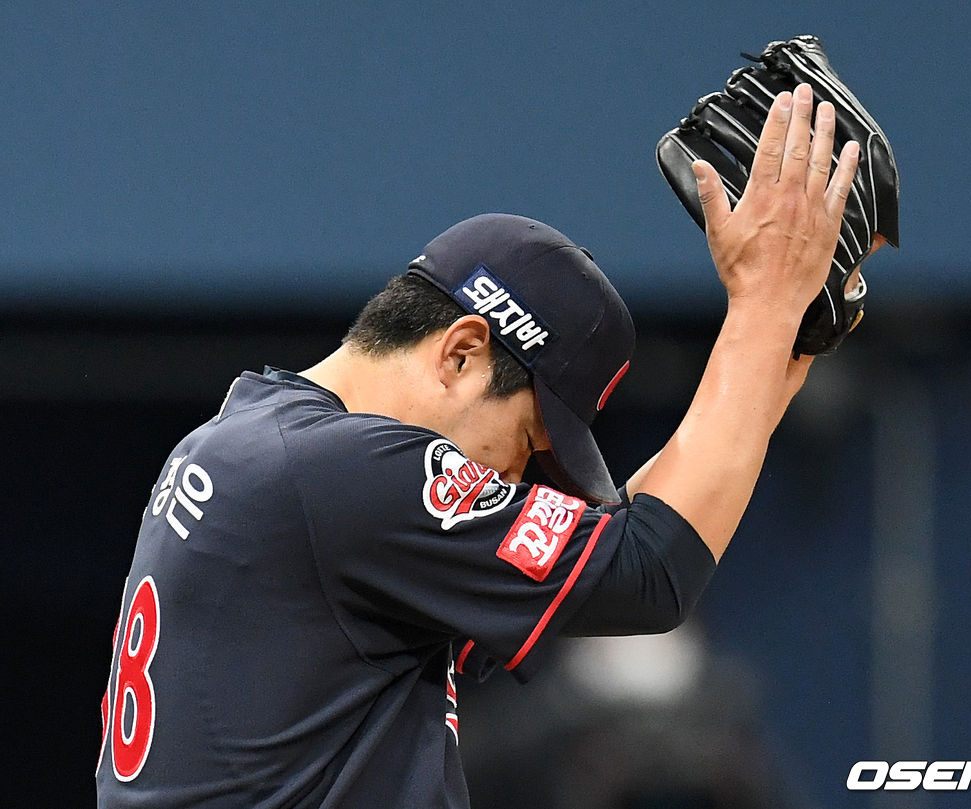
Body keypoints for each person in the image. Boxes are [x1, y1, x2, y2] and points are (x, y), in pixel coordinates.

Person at [96, 85, 867, 808]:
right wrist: (764, 305)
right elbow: (647, 572)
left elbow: (616, 547)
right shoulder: (344, 471)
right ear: (462, 352)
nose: (516, 475)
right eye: (528, 438)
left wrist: (777, 352)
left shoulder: (256, 447)